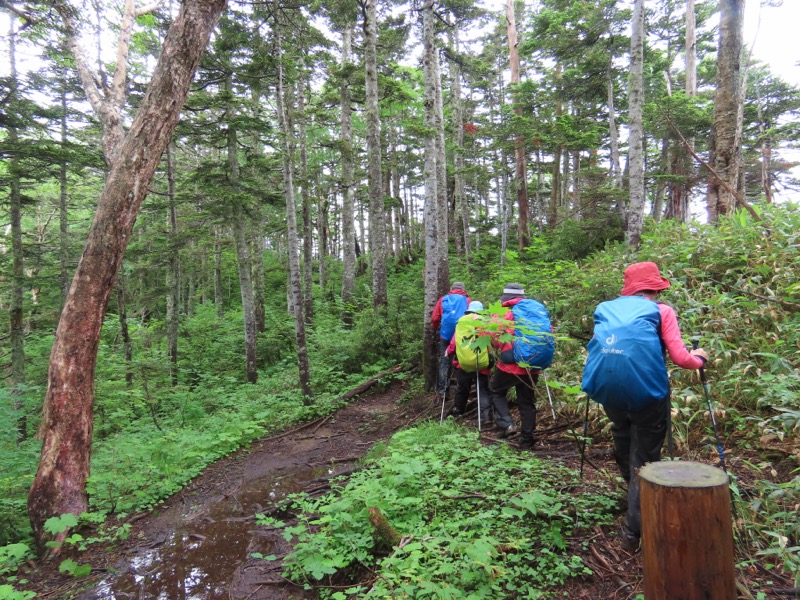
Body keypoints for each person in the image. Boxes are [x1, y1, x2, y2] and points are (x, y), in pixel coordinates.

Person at [581, 262, 709, 553]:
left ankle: (632, 492)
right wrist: (699, 358)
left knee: (623, 436)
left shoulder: (606, 308)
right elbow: (680, 357)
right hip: (647, 394)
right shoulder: (661, 311)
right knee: (646, 458)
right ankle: (632, 531)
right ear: (655, 286)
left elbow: (596, 345)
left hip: (608, 389)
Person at [488, 283, 547, 448]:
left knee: (496, 392)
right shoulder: (534, 312)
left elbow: (493, 336)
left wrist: (500, 347)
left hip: (509, 366)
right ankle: (527, 440)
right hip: (532, 365)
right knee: (527, 402)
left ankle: (507, 424)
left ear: (506, 298)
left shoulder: (504, 313)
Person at [445, 301, 493, 425]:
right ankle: (486, 416)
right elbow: (492, 341)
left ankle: (458, 411)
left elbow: (454, 342)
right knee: (483, 390)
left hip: (464, 364)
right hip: (482, 363)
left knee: (462, 388)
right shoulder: (485, 323)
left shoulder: (462, 323)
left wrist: (448, 352)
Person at [431, 282, 470, 397]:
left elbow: (435, 318)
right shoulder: (467, 301)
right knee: (461, 360)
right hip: (462, 335)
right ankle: (461, 388)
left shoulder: (443, 299)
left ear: (451, 289)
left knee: (444, 361)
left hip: (445, 335)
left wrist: (436, 329)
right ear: (463, 289)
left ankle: (443, 390)